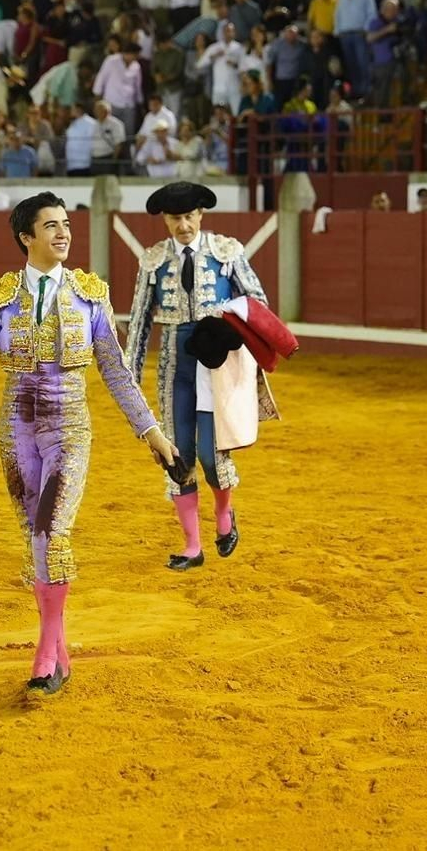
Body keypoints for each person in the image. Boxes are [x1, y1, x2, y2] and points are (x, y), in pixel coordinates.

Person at [0, 192, 178, 696]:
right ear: (26, 237)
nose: (63, 233)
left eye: (66, 224)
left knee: (53, 532)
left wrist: (151, 431)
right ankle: (59, 653)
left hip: (70, 426)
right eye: (50, 226)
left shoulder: (90, 294)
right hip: (17, 430)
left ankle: (45, 656)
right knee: (36, 541)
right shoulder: (0, 298)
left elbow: (115, 370)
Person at [124, 181, 271, 572]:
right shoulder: (153, 260)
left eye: (190, 216)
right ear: (166, 221)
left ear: (201, 216)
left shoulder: (227, 252)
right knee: (177, 456)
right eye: (176, 218)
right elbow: (139, 323)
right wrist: (130, 379)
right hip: (175, 368)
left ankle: (225, 515)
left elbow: (258, 302)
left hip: (215, 364)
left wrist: (227, 326)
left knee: (211, 453)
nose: (184, 225)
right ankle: (192, 545)